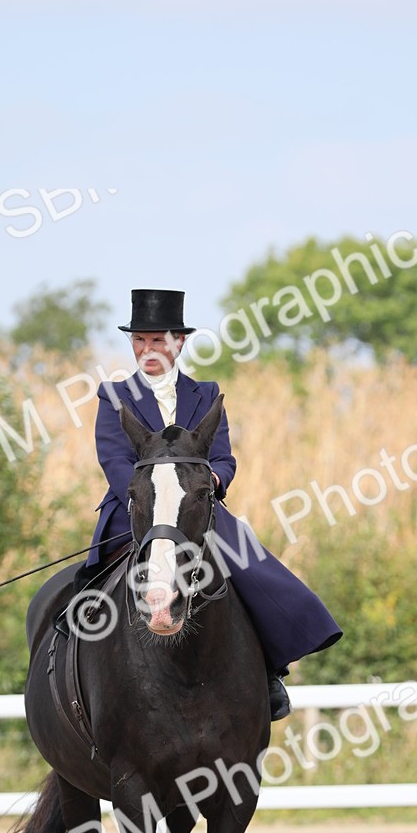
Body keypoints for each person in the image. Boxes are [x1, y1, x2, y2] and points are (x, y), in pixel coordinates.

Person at [72, 288, 342, 721]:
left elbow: (223, 459)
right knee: (89, 584)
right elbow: (114, 461)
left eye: (157, 340)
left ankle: (268, 670)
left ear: (178, 342)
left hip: (195, 509)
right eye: (139, 340)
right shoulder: (113, 396)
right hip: (135, 510)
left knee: (251, 567)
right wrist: (152, 502)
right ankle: (75, 671)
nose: (147, 349)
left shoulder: (206, 393)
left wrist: (214, 480)